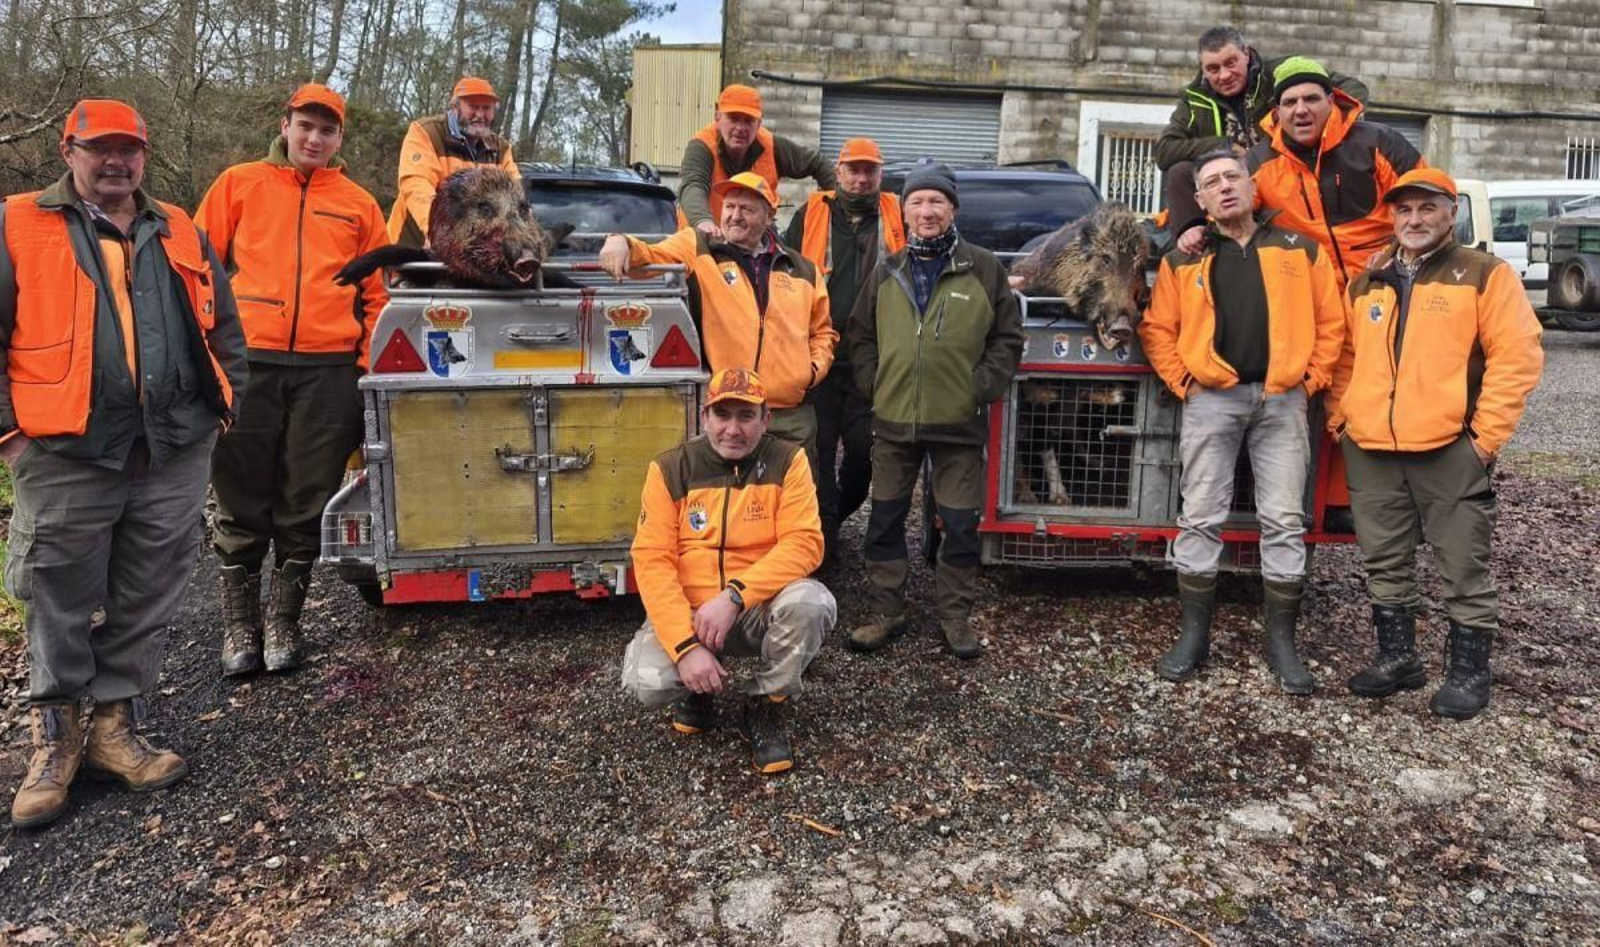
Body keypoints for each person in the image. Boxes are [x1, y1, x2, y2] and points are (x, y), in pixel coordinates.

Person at [1, 99, 247, 829]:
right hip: (65, 447)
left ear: (145, 153)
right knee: (58, 590)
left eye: (128, 149)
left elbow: (223, 326)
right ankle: (53, 738)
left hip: (170, 446)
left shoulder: (178, 226)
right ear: (66, 150)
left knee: (149, 588)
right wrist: (11, 433)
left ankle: (114, 727)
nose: (116, 162)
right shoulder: (17, 223)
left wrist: (221, 405)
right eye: (99, 148)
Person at [1329, 168, 1543, 720]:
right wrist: (1342, 420)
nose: (1414, 219)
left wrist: (1484, 439)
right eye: (1404, 210)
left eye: (1427, 208)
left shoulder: (1483, 275)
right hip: (1371, 445)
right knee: (1384, 558)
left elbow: (1516, 357)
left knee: (1461, 562)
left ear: (1452, 213)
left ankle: (1469, 672)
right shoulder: (1367, 280)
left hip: (1450, 446)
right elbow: (1345, 358)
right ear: (1393, 217)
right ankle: (1398, 657)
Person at [196, 84, 389, 677]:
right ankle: (238, 625)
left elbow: (378, 294)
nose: (314, 138)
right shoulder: (239, 183)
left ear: (339, 140)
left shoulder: (358, 203)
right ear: (285, 126)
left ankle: (284, 621)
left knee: (307, 498)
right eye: (305, 126)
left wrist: (364, 366)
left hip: (328, 371)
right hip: (248, 362)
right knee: (240, 491)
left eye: (326, 131)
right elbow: (197, 268)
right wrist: (208, 354)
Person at [1138, 149, 1345, 694]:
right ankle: (1193, 637)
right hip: (1211, 399)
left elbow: (1332, 322)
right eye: (1212, 183)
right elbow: (1157, 329)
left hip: (1282, 400)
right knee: (1200, 514)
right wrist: (1186, 383)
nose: (1225, 187)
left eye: (1234, 177)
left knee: (1283, 519)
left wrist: (1310, 381)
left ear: (1253, 189)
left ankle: (1282, 644)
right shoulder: (1184, 261)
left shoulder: (1301, 249)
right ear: (1200, 201)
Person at [845, 160, 1023, 659]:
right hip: (894, 420)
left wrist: (978, 387)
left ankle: (955, 617)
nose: (927, 211)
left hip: (958, 424)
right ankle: (887, 611)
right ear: (904, 212)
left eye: (936, 202)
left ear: (953, 209)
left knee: (960, 525)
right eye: (917, 202)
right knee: (884, 519)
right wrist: (875, 385)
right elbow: (860, 336)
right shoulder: (887, 269)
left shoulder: (984, 268)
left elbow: (1007, 339)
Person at [621, 368, 836, 774]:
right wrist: (685, 646)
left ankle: (765, 704)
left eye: (746, 416)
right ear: (704, 418)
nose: (733, 429)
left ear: (766, 419)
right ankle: (696, 688)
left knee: (813, 603)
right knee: (648, 682)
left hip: (754, 607)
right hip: (691, 613)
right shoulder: (670, 469)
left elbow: (805, 543)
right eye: (723, 415)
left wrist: (735, 595)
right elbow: (652, 561)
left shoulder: (789, 462)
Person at [598, 172, 834, 457]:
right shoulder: (699, 248)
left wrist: (808, 372)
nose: (735, 216)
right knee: (728, 499)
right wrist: (620, 241)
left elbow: (822, 332)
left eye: (747, 209)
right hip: (729, 413)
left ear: (769, 215)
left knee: (793, 498)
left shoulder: (803, 269)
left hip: (789, 415)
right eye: (730, 206)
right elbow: (648, 257)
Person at [784, 137, 905, 566]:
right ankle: (825, 544)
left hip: (875, 354)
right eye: (852, 169)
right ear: (837, 172)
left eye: (869, 169)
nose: (861, 177)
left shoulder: (898, 211)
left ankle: (835, 518)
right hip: (818, 351)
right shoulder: (811, 212)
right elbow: (783, 267)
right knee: (817, 449)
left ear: (880, 173)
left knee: (862, 452)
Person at [1157, 27, 1367, 240]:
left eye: (1231, 63)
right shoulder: (1194, 98)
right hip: (1234, 180)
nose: (1224, 75)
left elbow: (1354, 89)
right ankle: (1194, 242)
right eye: (1213, 68)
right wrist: (1225, 146)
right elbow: (1164, 150)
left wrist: (1312, 126)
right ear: (1202, 69)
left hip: (1285, 168)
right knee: (1179, 171)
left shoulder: (1280, 72)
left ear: (1246, 54)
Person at [1241, 57, 1423, 288]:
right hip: (1309, 293)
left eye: (1311, 99)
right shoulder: (1258, 163)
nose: (1300, 110)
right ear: (1277, 111)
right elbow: (1225, 215)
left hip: (1384, 283)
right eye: (1289, 102)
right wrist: (1193, 227)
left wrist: (1395, 252)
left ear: (1330, 100)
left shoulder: (1378, 142)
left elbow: (1429, 197)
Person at [678, 84, 836, 239]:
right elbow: (693, 185)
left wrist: (843, 207)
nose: (740, 127)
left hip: (752, 243)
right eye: (733, 118)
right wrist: (703, 222)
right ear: (717, 118)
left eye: (748, 121)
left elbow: (819, 164)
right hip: (706, 239)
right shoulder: (702, 147)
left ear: (759, 124)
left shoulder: (773, 146)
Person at [387, 76, 519, 248]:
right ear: (455, 107)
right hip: (413, 250)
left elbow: (517, 195)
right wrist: (437, 230)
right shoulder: (426, 133)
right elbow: (416, 185)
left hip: (470, 257)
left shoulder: (501, 149)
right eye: (472, 107)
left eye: (486, 108)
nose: (480, 115)